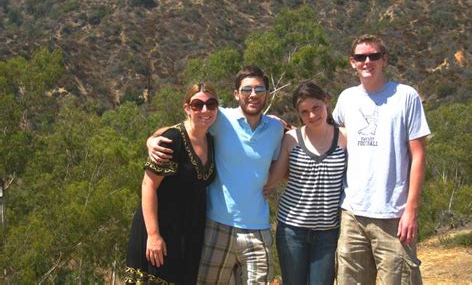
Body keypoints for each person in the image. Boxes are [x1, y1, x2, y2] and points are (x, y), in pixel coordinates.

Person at [147, 65, 284, 284]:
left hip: (258, 228)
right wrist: (152, 140)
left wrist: (272, 180)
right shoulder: (220, 118)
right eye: (247, 89)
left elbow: (285, 158)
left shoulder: (277, 129)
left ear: (267, 93)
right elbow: (185, 128)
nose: (253, 95)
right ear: (236, 94)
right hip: (216, 226)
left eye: (259, 90)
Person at [333, 34, 431, 284]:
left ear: (384, 59)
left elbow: (418, 155)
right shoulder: (346, 98)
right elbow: (329, 136)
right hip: (353, 214)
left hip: (393, 216)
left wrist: (411, 210)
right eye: (360, 57)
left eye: (374, 56)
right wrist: (284, 128)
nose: (367, 61)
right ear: (351, 62)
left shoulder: (405, 96)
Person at [124, 83, 219, 284]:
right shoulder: (172, 140)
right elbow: (148, 186)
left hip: (187, 236)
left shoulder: (211, 140)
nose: (205, 110)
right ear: (187, 108)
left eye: (211, 104)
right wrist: (153, 235)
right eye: (197, 105)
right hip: (160, 234)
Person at [264, 81, 347, 285]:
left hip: (328, 232)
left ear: (326, 102)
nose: (312, 115)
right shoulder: (292, 139)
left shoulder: (345, 137)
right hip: (292, 230)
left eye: (316, 108)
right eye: (304, 112)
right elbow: (274, 177)